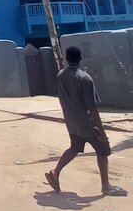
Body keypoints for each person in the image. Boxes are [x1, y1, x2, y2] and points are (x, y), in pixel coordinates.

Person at [45, 45, 127, 197]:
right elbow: (92, 107)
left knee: (74, 148)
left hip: (72, 121)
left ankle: (55, 172)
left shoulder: (60, 75)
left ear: (66, 59)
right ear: (81, 58)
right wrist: (101, 130)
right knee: (103, 150)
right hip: (87, 123)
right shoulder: (84, 78)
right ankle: (106, 186)